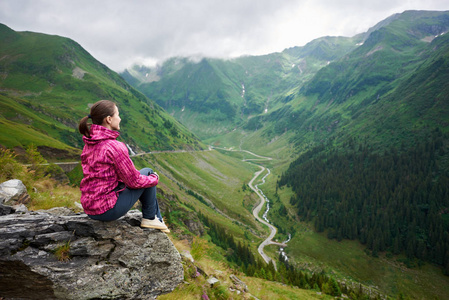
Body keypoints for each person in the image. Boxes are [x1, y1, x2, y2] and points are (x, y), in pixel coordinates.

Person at [78, 99, 169, 233]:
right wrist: (155, 179)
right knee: (148, 173)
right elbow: (135, 181)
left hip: (90, 208)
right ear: (109, 119)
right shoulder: (114, 146)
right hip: (107, 210)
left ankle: (155, 219)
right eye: (118, 115)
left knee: (145, 174)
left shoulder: (89, 143)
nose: (120, 119)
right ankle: (151, 218)